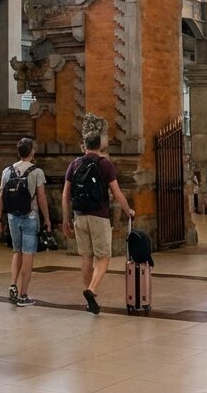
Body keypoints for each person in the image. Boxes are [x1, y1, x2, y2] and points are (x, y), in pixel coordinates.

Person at [61, 115, 134, 315]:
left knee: (86, 256)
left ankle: (90, 297)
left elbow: (65, 194)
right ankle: (92, 290)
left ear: (84, 145)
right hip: (99, 216)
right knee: (103, 256)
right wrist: (128, 210)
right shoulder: (105, 164)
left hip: (79, 215)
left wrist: (66, 218)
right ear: (100, 145)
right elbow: (116, 192)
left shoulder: (74, 164)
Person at [0, 137, 50, 307]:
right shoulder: (37, 172)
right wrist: (47, 218)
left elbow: (1, 197)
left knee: (17, 252)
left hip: (12, 217)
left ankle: (13, 284)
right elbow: (41, 198)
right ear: (32, 152)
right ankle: (23, 294)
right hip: (30, 216)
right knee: (28, 254)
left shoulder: (7, 171)